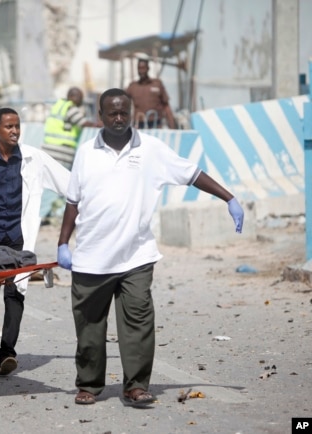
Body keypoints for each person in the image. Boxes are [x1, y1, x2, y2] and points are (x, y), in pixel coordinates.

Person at [56, 88, 245, 407]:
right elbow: (73, 202)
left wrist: (229, 198)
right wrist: (62, 243)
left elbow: (192, 174)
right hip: (91, 259)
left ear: (133, 114)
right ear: (100, 116)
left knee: (138, 324)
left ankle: (136, 385)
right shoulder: (86, 152)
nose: (118, 119)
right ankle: (89, 384)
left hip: (136, 257)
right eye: (112, 113)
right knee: (89, 329)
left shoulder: (152, 150)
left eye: (124, 113)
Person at [0, 107, 70, 375]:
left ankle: (7, 351)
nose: (15, 131)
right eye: (9, 127)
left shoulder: (34, 159)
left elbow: (69, 184)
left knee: (15, 294)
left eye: (17, 126)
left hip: (19, 240)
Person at [42, 87, 98, 170]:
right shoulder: (71, 108)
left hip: (47, 150)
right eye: (80, 98)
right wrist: (100, 124)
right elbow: (84, 123)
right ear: (72, 97)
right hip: (62, 153)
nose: (81, 101)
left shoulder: (57, 106)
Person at [126, 58, 176, 129]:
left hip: (156, 124)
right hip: (139, 125)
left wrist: (172, 126)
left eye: (143, 68)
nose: (141, 71)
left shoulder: (157, 84)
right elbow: (123, 104)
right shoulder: (133, 86)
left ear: (148, 68)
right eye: (139, 68)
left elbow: (166, 106)